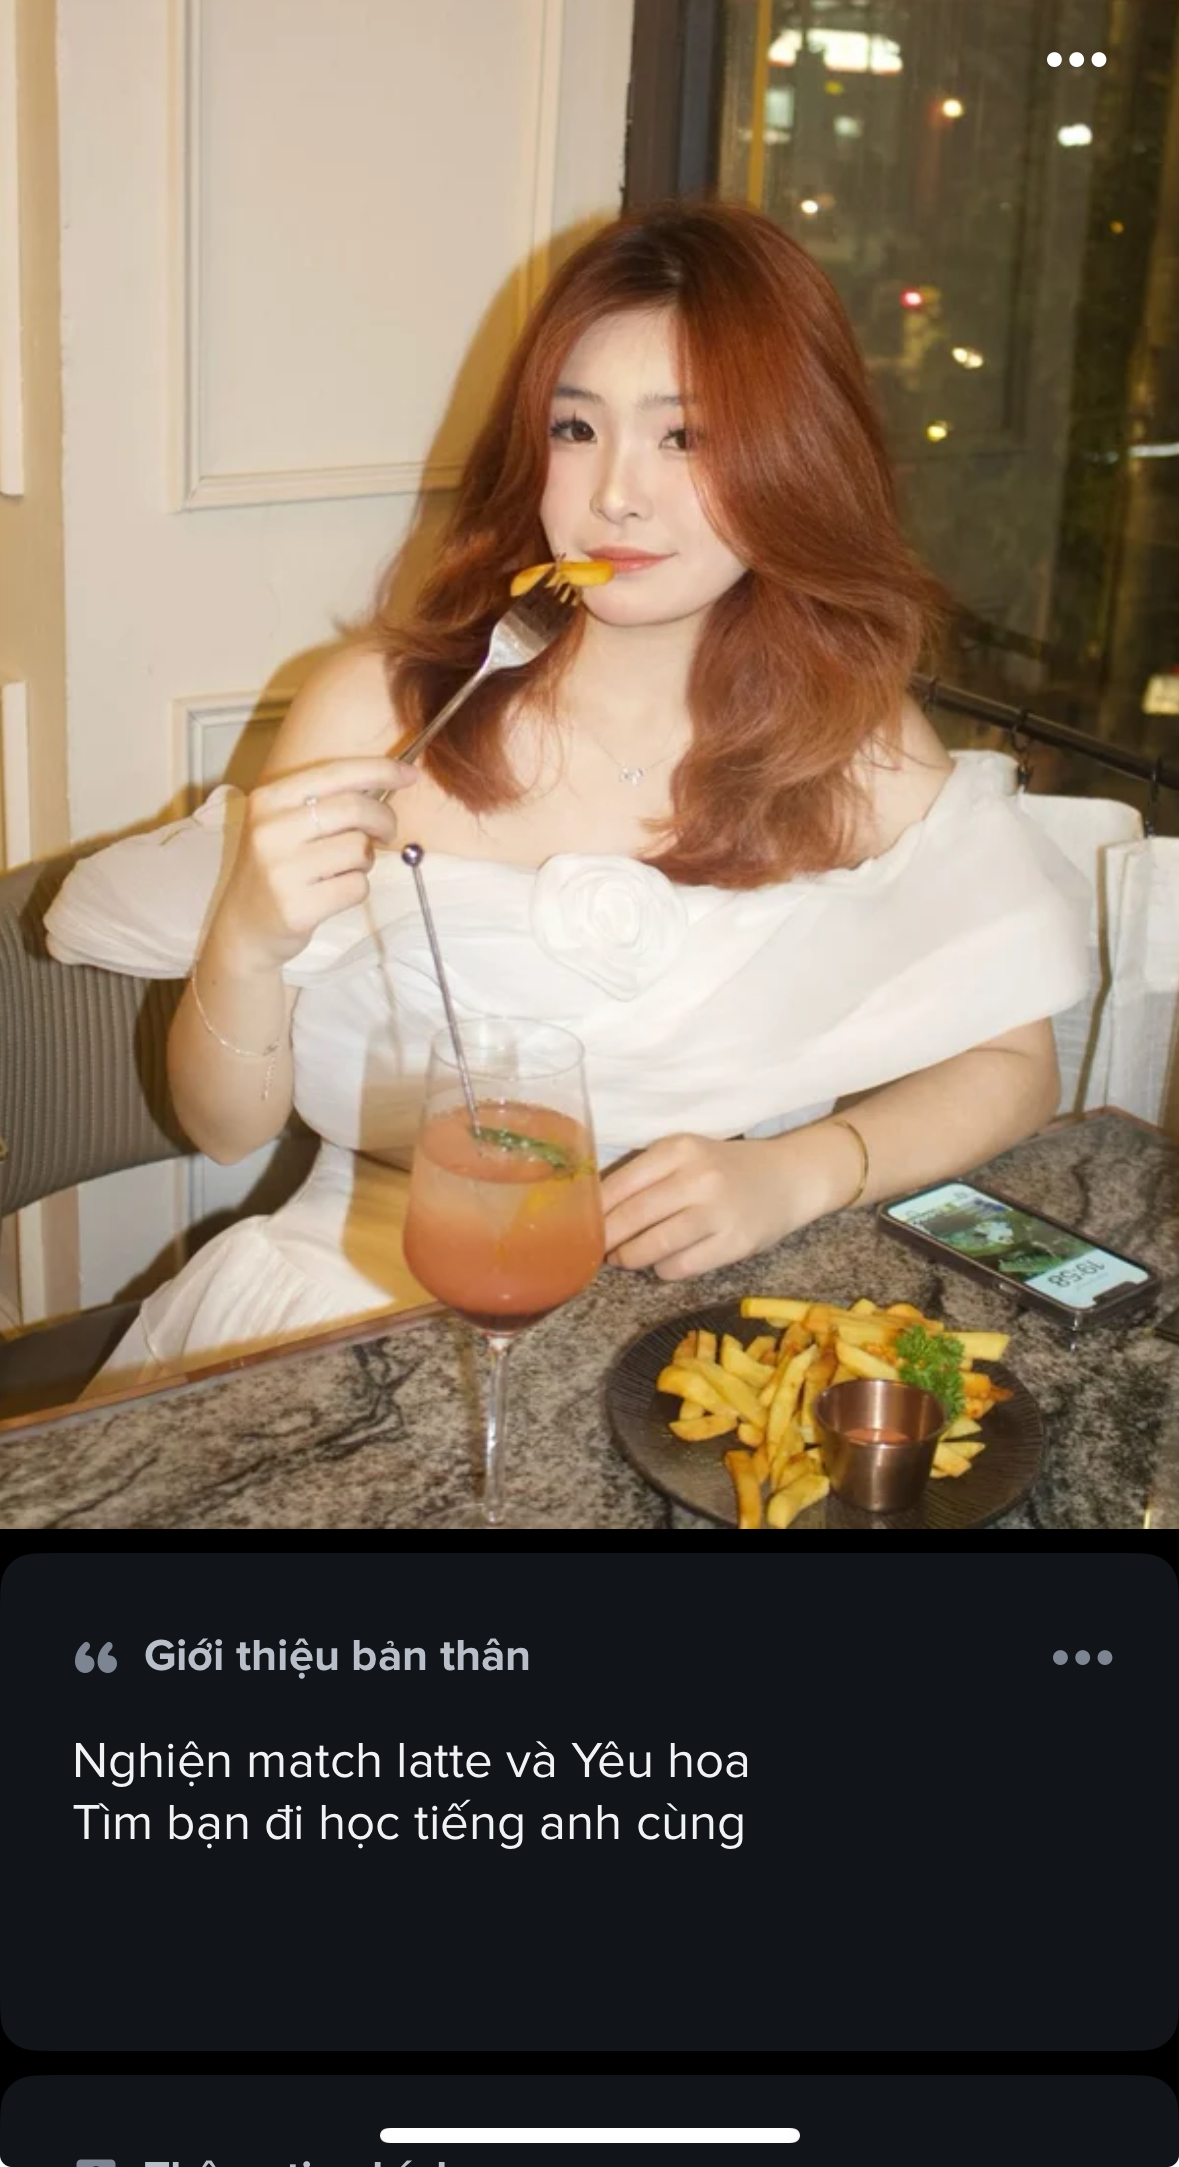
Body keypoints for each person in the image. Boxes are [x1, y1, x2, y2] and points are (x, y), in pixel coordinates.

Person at [47, 201, 1088, 1386]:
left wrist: (800, 1170)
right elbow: (224, 1129)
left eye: (685, 437)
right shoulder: (381, 712)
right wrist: (244, 933)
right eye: (576, 428)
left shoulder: (854, 742)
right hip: (365, 1302)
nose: (616, 496)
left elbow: (1016, 1059)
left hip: (701, 1330)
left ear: (793, 456)